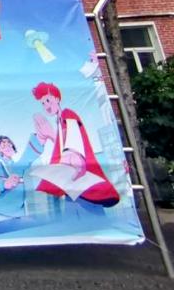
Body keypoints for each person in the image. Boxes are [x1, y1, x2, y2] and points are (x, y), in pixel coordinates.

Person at [31, 82, 119, 215]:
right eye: (43, 103)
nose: (46, 106)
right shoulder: (60, 121)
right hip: (74, 182)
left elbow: (73, 141)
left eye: (48, 100)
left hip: (81, 180)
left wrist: (73, 156)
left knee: (89, 215)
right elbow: (64, 145)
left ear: (57, 99)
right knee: (77, 215)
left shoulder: (68, 115)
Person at [0, 135, 41, 217]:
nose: (8, 146)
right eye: (3, 145)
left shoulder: (15, 164)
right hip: (0, 210)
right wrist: (4, 184)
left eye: (9, 144)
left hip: (19, 211)